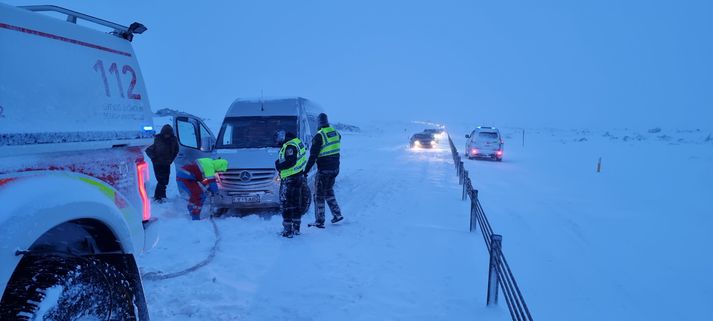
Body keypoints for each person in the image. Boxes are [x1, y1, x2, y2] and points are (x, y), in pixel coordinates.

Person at [304, 113, 343, 228]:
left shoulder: (319, 136)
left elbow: (312, 157)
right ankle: (337, 214)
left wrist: (305, 171)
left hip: (324, 170)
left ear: (318, 123)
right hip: (335, 169)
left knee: (319, 195)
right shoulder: (336, 133)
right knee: (329, 191)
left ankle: (319, 221)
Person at [274, 130, 307, 238]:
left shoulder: (290, 147)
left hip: (290, 178)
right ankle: (296, 228)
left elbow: (290, 162)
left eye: (278, 140)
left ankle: (287, 230)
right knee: (296, 203)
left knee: (286, 204)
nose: (277, 142)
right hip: (299, 176)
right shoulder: (297, 142)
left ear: (283, 137)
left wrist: (278, 165)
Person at [145, 124, 179, 202]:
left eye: (169, 134)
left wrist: (171, 159)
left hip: (167, 163)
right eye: (166, 134)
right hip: (157, 163)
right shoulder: (156, 139)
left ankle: (162, 196)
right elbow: (148, 149)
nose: (167, 135)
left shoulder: (173, 140)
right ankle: (157, 197)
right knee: (161, 180)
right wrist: (154, 158)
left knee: (165, 180)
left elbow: (176, 150)